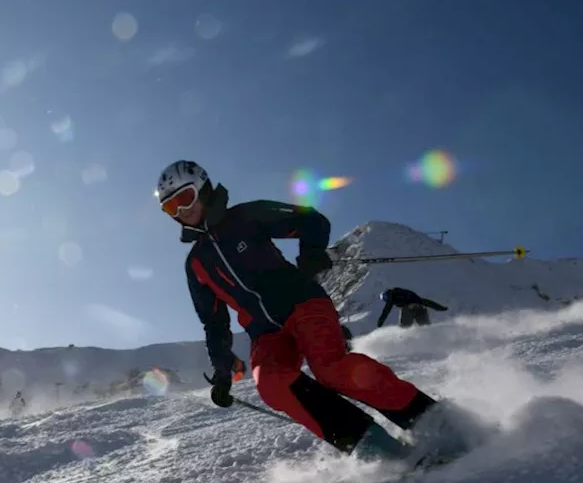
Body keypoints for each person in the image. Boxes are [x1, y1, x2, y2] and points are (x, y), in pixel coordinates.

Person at [155, 160, 467, 464]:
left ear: (203, 189)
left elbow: (311, 220)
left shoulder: (245, 216)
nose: (182, 211)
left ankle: (433, 420)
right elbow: (214, 322)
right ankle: (372, 445)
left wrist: (312, 252)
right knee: (272, 383)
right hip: (265, 332)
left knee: (331, 369)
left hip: (303, 303)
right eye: (171, 208)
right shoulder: (196, 263)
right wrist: (222, 371)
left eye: (185, 199)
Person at [376, 287, 450, 328]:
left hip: (408, 309)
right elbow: (426, 302)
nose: (385, 299)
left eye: (384, 297)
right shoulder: (408, 295)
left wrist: (380, 321)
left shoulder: (391, 295)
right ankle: (429, 337)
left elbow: (387, 309)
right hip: (420, 308)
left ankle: (403, 338)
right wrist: (440, 308)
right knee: (425, 327)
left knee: (404, 327)